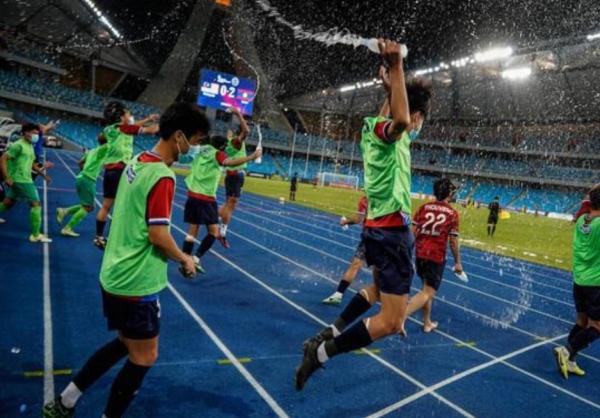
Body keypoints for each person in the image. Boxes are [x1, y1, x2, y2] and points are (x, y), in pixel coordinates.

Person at [42, 102, 208, 418]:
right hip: (136, 281)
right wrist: (184, 258)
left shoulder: (137, 161)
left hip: (114, 273)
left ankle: (66, 400)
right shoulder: (162, 176)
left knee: (124, 344)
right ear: (179, 137)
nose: (196, 149)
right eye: (196, 141)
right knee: (145, 357)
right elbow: (158, 235)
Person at [295, 39, 432, 391]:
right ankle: (322, 353)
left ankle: (330, 330)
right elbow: (401, 119)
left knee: (375, 288)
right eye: (420, 119)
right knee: (390, 321)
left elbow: (398, 112)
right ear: (417, 117)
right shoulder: (382, 131)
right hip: (390, 233)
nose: (417, 125)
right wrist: (397, 64)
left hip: (379, 229)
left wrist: (391, 86)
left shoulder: (382, 129)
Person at [181, 135, 261, 274]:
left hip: (192, 194)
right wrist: (251, 157)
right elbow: (229, 163)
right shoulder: (218, 154)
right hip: (206, 197)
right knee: (214, 232)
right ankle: (195, 258)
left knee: (192, 232)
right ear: (222, 147)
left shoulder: (202, 149)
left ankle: (184, 261)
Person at [94, 101, 159, 250]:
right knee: (122, 207)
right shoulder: (124, 128)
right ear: (122, 117)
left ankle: (98, 236)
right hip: (120, 170)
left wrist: (148, 118)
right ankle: (114, 238)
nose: (131, 116)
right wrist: (168, 126)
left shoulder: (109, 129)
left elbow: (101, 139)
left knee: (105, 206)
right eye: (128, 113)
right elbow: (151, 130)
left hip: (109, 171)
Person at [553, 183, 600, 379]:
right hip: (595, 283)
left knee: (581, 322)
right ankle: (567, 351)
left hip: (579, 280)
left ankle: (570, 360)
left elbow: (590, 195)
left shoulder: (582, 219)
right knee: (596, 327)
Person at [403, 178, 462, 333]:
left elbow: (412, 233)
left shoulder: (424, 207)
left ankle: (427, 322)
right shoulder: (452, 213)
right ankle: (400, 316)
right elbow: (453, 242)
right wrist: (458, 263)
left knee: (425, 288)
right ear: (449, 193)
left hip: (420, 254)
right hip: (435, 256)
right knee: (428, 292)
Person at [0, 123, 52, 242]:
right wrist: (6, 177)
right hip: (21, 180)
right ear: (25, 132)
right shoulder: (18, 145)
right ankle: (35, 235)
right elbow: (2, 159)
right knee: (36, 204)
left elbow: (32, 163)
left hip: (24, 179)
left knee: (8, 203)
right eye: (34, 133)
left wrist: (43, 175)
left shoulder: (30, 146)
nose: (36, 136)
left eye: (37, 134)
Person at [56, 134, 108, 237]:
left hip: (82, 177)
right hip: (88, 179)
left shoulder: (92, 151)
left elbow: (80, 163)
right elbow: (112, 144)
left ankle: (64, 211)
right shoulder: (103, 149)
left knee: (89, 206)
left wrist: (83, 174)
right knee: (88, 207)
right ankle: (67, 228)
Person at [322, 195, 368, 305]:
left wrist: (345, 222)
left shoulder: (366, 199)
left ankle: (338, 294)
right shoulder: (387, 196)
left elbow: (358, 219)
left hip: (371, 236)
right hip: (385, 237)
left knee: (356, 265)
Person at [217, 106, 250, 249]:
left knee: (229, 205)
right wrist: (238, 113)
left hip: (232, 176)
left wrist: (229, 134)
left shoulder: (229, 143)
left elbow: (233, 136)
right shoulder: (237, 142)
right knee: (231, 206)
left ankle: (217, 221)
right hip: (235, 175)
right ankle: (222, 231)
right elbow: (246, 131)